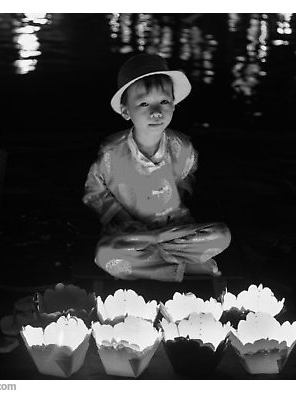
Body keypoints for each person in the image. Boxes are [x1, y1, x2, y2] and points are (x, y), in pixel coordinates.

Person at [82, 53, 231, 282]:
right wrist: (124, 220)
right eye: (143, 103)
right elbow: (95, 193)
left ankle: (158, 262)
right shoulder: (111, 153)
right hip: (134, 235)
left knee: (222, 235)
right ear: (125, 110)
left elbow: (186, 178)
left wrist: (174, 218)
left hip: (173, 230)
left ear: (174, 103)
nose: (156, 112)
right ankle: (179, 266)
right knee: (106, 253)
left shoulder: (182, 147)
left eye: (163, 101)